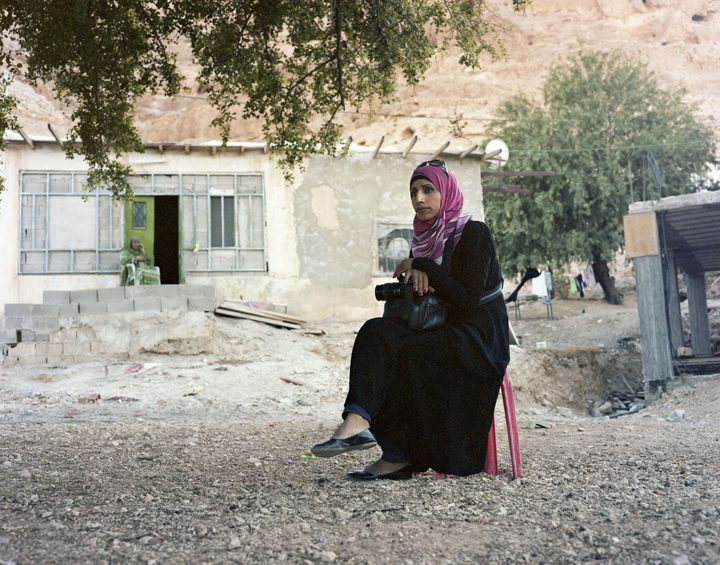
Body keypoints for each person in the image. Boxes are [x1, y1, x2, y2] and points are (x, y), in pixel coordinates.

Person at [311, 159, 510, 480]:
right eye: (414, 191)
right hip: (442, 327)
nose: (419, 198)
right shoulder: (425, 239)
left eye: (428, 190)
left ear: (447, 193)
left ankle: (404, 455)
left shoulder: (474, 233)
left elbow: (468, 301)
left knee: (408, 354)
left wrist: (424, 267)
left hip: (479, 336)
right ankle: (359, 423)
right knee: (376, 334)